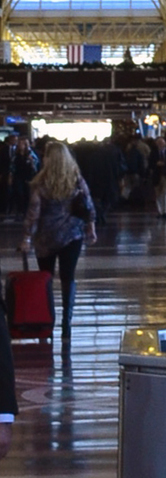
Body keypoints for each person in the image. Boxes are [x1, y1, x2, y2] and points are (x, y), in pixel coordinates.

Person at [20, 139, 97, 339]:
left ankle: (48, 317)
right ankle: (67, 321)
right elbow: (88, 205)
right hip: (72, 235)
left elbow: (33, 213)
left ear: (49, 159)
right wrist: (91, 228)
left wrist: (27, 238)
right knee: (68, 277)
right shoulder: (75, 179)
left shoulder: (39, 183)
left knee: (46, 277)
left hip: (46, 237)